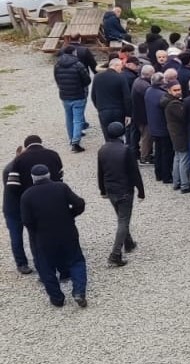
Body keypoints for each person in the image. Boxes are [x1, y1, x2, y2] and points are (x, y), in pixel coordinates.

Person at [20, 164, 88, 308]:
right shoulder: (61, 187)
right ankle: (79, 291)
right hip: (67, 232)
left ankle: (57, 298)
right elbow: (79, 203)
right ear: (49, 175)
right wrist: (71, 215)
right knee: (76, 261)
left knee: (46, 268)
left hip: (44, 237)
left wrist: (36, 231)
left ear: (33, 178)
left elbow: (27, 221)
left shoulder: (27, 195)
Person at [97, 121, 145, 266]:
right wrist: (141, 191)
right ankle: (115, 254)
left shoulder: (102, 150)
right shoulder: (126, 150)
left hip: (111, 189)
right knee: (123, 220)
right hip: (124, 189)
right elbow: (134, 173)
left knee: (121, 216)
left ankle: (128, 242)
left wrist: (102, 190)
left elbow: (100, 172)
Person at [53, 44, 91, 152]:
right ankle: (75, 142)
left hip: (65, 95)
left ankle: (71, 138)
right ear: (74, 52)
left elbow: (56, 79)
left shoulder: (57, 65)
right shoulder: (78, 64)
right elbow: (87, 80)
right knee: (78, 119)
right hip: (78, 95)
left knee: (69, 117)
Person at [3, 145, 33, 274]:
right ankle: (21, 263)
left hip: (12, 208)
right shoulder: (12, 169)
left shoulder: (10, 168)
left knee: (18, 236)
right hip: (15, 209)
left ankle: (23, 263)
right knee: (17, 237)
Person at [91, 58, 132, 142]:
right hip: (119, 110)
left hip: (104, 110)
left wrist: (99, 107)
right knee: (119, 132)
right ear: (116, 65)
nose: (121, 69)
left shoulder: (97, 77)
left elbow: (93, 95)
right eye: (121, 67)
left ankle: (109, 149)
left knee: (107, 134)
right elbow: (127, 97)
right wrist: (128, 114)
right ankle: (120, 151)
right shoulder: (121, 78)